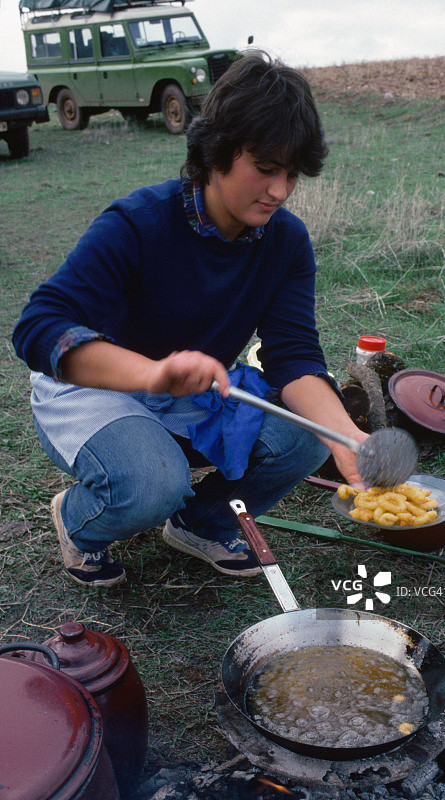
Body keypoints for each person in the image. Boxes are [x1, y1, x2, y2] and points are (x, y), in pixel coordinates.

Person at [12, 51, 369, 589]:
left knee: (308, 436)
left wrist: (344, 435)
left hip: (184, 391)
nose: (279, 191)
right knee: (154, 481)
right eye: (266, 168)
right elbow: (38, 326)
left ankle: (201, 523)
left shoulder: (285, 242)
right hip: (93, 384)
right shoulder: (139, 223)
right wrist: (151, 374)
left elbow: (293, 353)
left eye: (292, 174)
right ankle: (78, 519)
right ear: (218, 149)